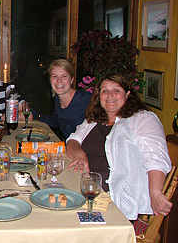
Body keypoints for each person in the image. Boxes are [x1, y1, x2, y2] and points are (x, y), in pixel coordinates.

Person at [66, 73, 172, 220]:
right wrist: (79, 154)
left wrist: (155, 192)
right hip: (84, 189)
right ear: (99, 96)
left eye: (116, 90)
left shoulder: (142, 119)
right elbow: (73, 141)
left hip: (114, 200)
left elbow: (154, 157)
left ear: (127, 94)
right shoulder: (95, 119)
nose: (110, 95)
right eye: (104, 91)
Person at [32, 59, 91, 139]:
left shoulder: (85, 98)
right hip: (71, 146)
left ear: (72, 79)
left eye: (64, 76)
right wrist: (32, 114)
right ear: (50, 80)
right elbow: (55, 122)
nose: (59, 81)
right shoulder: (57, 99)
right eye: (54, 76)